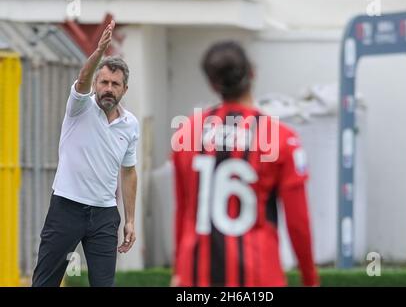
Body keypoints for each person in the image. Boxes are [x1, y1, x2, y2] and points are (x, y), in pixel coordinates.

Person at [171, 41, 319, 286]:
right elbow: (298, 222)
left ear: (212, 83)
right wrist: (310, 278)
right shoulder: (281, 138)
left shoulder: (186, 132)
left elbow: (184, 209)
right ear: (252, 73)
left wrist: (179, 269)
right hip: (259, 276)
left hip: (196, 276)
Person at [32, 20, 139, 287]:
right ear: (96, 84)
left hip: (104, 215)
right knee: (45, 282)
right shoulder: (80, 108)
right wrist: (98, 52)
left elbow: (129, 171)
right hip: (66, 208)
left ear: (124, 90)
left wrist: (130, 220)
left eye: (115, 84)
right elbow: (82, 80)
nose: (108, 88)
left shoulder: (130, 124)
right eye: (103, 82)